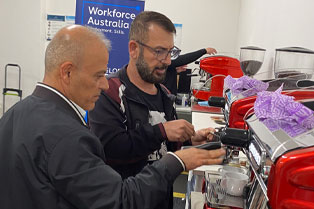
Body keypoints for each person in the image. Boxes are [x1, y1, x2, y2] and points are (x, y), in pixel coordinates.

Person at [0, 25, 225, 209]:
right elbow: (120, 201)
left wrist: (184, 141)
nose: (105, 84)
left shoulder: (13, 114)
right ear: (67, 72)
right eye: (98, 75)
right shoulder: (67, 135)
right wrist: (176, 161)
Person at [88, 11, 221, 207]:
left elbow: (163, 147)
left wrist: (190, 139)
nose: (167, 61)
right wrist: (163, 130)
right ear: (134, 49)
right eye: (159, 51)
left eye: (170, 52)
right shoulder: (110, 91)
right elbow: (110, 149)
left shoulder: (165, 93)